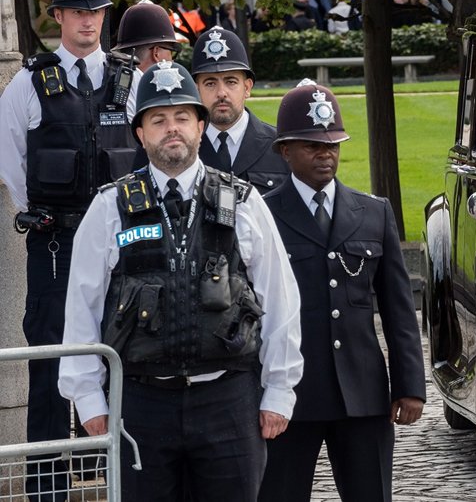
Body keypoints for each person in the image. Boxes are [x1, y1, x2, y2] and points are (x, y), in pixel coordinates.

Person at [58, 60, 303, 501]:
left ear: (200, 125)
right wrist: (89, 400)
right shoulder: (109, 207)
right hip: (140, 403)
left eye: (182, 117)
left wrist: (280, 390)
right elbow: (82, 307)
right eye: (159, 119)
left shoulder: (243, 202)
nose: (172, 129)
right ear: (141, 133)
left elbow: (281, 299)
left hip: (229, 400)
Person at [0, 0, 140, 500]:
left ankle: (122, 483)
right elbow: (12, 162)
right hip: (56, 240)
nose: (87, 21)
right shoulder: (30, 85)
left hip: (121, 244)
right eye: (76, 11)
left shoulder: (131, 82)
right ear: (56, 16)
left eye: (96, 11)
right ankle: (49, 489)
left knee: (128, 357)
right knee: (51, 366)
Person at [258, 81, 425, 501]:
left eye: (332, 144)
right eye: (312, 145)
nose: (325, 154)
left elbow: (398, 308)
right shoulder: (261, 214)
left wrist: (409, 384)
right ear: (285, 150)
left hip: (363, 395)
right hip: (290, 396)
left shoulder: (373, 212)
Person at [190, 27, 290, 194]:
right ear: (196, 90)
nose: (221, 93)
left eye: (231, 82)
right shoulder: (182, 147)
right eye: (210, 83)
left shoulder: (280, 147)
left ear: (247, 87)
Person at [113, 0, 180, 121]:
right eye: (171, 52)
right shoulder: (148, 95)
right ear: (156, 53)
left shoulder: (110, 82)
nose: (173, 62)